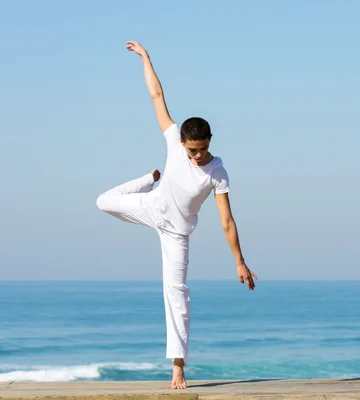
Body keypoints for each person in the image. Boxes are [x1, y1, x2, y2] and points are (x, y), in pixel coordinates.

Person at [96, 41, 258, 389]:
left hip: (177, 234)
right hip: (151, 206)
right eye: (191, 150)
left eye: (201, 149)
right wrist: (146, 58)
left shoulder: (218, 172)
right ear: (182, 141)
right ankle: (147, 178)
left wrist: (239, 261)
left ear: (210, 141)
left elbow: (226, 221)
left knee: (176, 293)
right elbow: (157, 96)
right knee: (103, 202)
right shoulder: (173, 140)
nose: (197, 156)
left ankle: (178, 365)